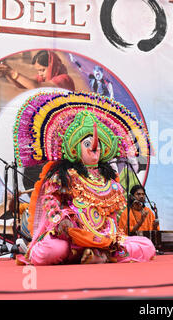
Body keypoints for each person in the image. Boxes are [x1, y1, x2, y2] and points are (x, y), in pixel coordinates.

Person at [14, 91, 155, 265]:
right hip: (70, 236)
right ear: (75, 148)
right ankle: (93, 254)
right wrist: (62, 220)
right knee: (52, 250)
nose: (94, 148)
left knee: (147, 246)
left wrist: (110, 236)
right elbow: (51, 201)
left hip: (102, 238)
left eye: (98, 145)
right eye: (87, 144)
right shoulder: (64, 176)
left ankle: (97, 252)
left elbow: (113, 217)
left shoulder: (110, 182)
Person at [0, 50, 75, 91]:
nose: (40, 74)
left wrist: (11, 72)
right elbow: (21, 84)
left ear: (52, 66)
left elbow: (36, 87)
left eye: (42, 70)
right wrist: (5, 72)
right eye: (38, 71)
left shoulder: (64, 79)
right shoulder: (43, 78)